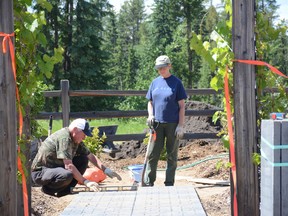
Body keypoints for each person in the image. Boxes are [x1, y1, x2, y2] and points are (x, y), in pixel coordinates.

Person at [31, 118, 122, 197]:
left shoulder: (75, 139)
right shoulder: (64, 138)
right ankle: (48, 190)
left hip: (55, 169)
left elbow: (90, 155)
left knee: (83, 159)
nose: (85, 137)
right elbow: (69, 166)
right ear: (75, 130)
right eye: (84, 134)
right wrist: (86, 182)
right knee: (66, 175)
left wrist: (105, 170)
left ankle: (65, 191)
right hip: (41, 172)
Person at [144, 55, 187, 186]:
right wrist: (150, 115)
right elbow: (150, 102)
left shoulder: (177, 83)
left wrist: (180, 125)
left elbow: (182, 106)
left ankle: (169, 182)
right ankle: (148, 181)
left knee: (172, 154)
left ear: (169, 66)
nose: (161, 70)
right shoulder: (155, 83)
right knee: (152, 153)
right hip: (157, 124)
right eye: (158, 68)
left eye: (163, 67)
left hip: (172, 124)